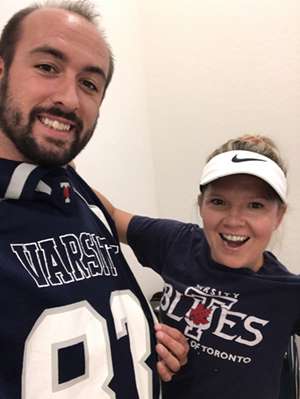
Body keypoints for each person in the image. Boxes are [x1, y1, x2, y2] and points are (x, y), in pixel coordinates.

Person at [0, 1, 188, 398]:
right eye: (47, 67)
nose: (69, 99)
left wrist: (133, 341)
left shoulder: (77, 193)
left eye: (89, 83)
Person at [100, 134, 300, 398]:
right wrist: (62, 173)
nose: (234, 220)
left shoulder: (288, 294)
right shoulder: (177, 242)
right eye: (219, 202)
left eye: (255, 205)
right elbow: (110, 216)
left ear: (278, 216)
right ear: (201, 205)